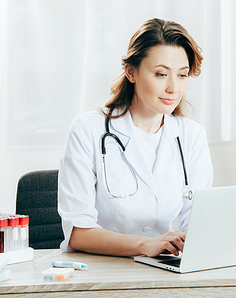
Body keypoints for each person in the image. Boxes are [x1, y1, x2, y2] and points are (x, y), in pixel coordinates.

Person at [58, 18, 213, 257]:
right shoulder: (88, 130)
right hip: (101, 270)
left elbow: (198, 224)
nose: (174, 88)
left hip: (163, 269)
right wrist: (145, 245)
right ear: (131, 72)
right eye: (161, 74)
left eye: (182, 75)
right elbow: (78, 232)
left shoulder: (191, 136)